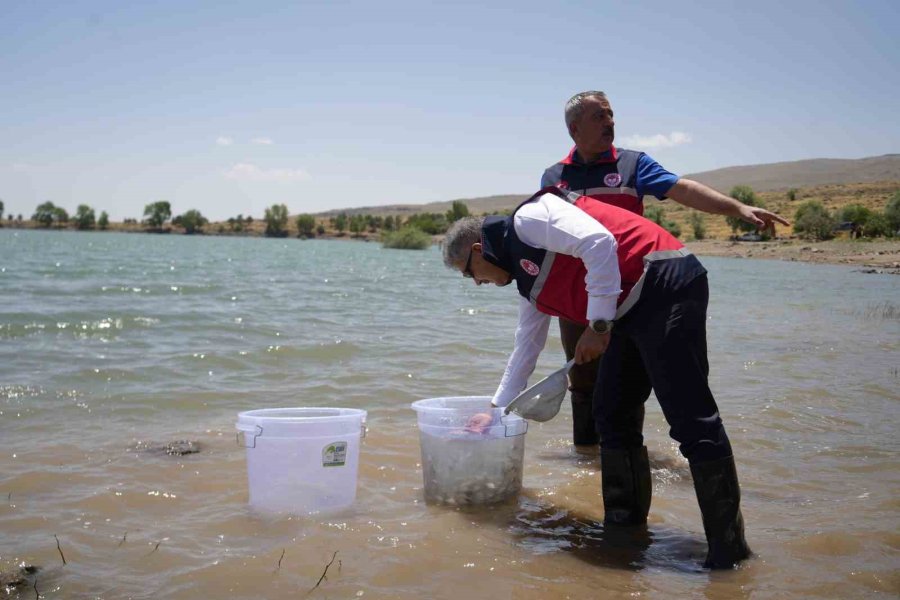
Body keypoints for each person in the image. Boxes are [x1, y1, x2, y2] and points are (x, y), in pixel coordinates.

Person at [443, 186, 751, 568]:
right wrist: (495, 409)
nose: (476, 283)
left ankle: (729, 552)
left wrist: (599, 325)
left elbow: (598, 242)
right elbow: (526, 346)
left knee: (691, 419)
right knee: (611, 414)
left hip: (665, 278)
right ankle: (625, 536)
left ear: (477, 251)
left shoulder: (528, 221)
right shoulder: (525, 283)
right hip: (628, 309)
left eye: (469, 274)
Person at [541, 90, 789, 447]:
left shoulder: (632, 164)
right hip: (578, 297)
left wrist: (737, 208)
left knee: (623, 386)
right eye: (600, 116)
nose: (610, 122)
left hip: (632, 293)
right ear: (574, 128)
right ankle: (588, 461)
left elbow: (682, 189)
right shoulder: (554, 177)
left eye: (611, 115)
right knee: (582, 378)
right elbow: (546, 233)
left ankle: (625, 456)